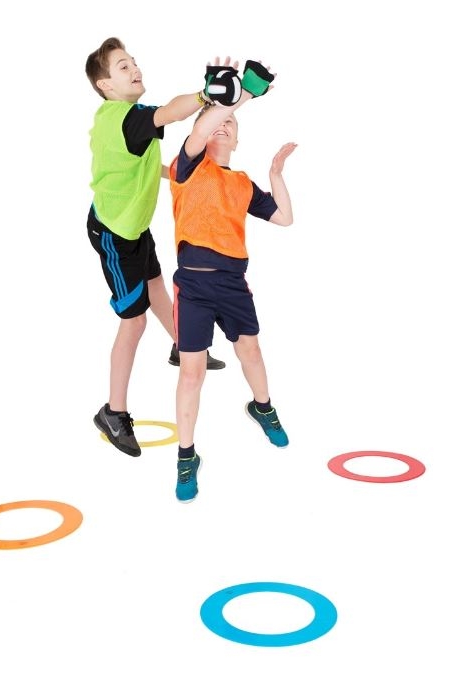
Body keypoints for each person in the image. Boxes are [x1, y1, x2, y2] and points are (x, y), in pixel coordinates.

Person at [85, 37, 227, 458]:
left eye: (134, 62)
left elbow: (138, 162)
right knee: (134, 322)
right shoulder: (129, 120)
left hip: (132, 226)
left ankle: (182, 346)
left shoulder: (123, 118)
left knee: (157, 287)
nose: (135, 69)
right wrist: (204, 95)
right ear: (105, 85)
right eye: (123, 67)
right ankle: (113, 412)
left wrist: (172, 174)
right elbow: (172, 111)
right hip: (115, 234)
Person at [168, 57, 297, 502]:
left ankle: (263, 408)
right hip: (194, 286)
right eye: (216, 122)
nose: (223, 126)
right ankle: (187, 456)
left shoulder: (242, 183)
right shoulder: (186, 168)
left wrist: (276, 176)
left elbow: (284, 218)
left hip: (233, 284)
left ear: (238, 141)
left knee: (251, 352)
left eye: (231, 125)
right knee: (192, 373)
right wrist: (240, 99)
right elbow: (205, 125)